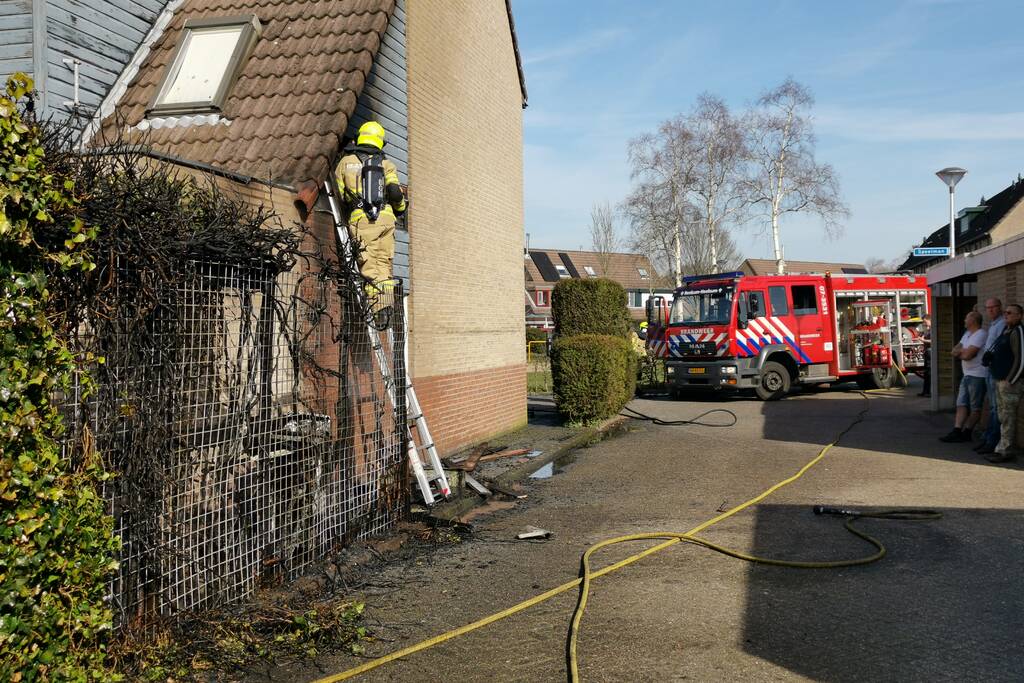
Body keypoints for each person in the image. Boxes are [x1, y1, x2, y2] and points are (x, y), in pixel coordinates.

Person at [335, 120, 407, 302]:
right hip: (387, 220)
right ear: (380, 142)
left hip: (363, 219)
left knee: (369, 266)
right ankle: (386, 307)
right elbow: (395, 193)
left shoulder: (346, 162)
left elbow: (339, 195)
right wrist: (401, 209)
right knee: (384, 263)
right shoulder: (387, 164)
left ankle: (377, 310)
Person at [939, 310, 987, 443]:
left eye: (966, 318)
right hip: (967, 375)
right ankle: (957, 431)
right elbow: (954, 350)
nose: (964, 321)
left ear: (973, 320)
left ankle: (967, 432)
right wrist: (962, 351)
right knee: (961, 404)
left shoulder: (981, 334)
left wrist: (962, 353)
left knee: (975, 406)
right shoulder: (967, 334)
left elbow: (967, 355)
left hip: (978, 376)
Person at [985, 304, 1024, 463]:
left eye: (1009, 313)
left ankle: (1006, 451)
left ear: (1019, 315)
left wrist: (1011, 380)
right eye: (1005, 312)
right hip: (999, 380)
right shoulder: (1006, 330)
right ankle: (1001, 448)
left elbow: (1021, 359)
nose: (1005, 315)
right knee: (1002, 416)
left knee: (1008, 417)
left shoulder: (1018, 331)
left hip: (1010, 383)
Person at [975, 298, 1006, 455]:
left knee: (995, 408)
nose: (991, 310)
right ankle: (988, 438)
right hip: (988, 369)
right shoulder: (993, 325)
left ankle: (992, 441)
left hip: (995, 370)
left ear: (1000, 307)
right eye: (988, 308)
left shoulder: (1002, 324)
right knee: (992, 407)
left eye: (994, 307)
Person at [918, 314, 932, 396]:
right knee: (926, 373)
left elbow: (933, 341)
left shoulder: (932, 329)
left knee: (929, 373)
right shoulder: (928, 330)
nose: (924, 323)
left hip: (930, 352)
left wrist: (923, 340)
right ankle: (925, 391)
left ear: (930, 320)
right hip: (927, 352)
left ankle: (929, 392)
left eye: (925, 321)